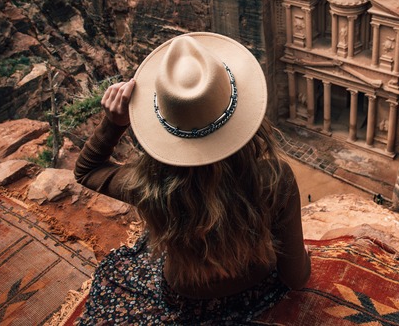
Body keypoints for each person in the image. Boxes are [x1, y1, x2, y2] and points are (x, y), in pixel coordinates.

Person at [74, 32, 311, 324]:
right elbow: (295, 278)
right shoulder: (274, 180)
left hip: (184, 299)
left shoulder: (148, 187)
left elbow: (87, 171)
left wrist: (112, 124)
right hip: (258, 293)